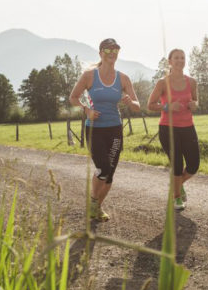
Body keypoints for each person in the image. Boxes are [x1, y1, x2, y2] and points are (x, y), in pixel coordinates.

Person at [70, 38, 140, 221]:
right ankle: (93, 202)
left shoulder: (123, 78)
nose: (112, 53)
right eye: (108, 50)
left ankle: (97, 208)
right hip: (94, 129)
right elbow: (73, 97)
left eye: (115, 50)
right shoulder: (89, 76)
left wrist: (130, 102)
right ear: (101, 53)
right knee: (103, 167)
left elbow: (137, 106)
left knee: (110, 173)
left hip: (114, 129)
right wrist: (87, 110)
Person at [147, 49, 200, 210]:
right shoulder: (163, 83)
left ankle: (176, 185)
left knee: (193, 165)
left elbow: (196, 101)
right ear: (170, 62)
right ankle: (176, 197)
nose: (180, 60)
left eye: (182, 58)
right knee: (177, 164)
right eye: (176, 58)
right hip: (168, 129)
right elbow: (150, 105)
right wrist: (168, 106)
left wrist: (194, 105)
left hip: (188, 127)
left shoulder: (192, 82)